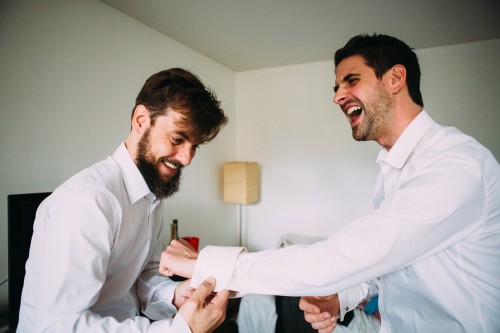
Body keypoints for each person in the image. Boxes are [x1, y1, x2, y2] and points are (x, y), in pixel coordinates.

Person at [160, 34, 500, 333]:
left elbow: (338, 257)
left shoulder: (456, 165)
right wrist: (344, 296)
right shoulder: (394, 171)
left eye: (351, 81)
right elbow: (394, 265)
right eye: (337, 87)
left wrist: (205, 264)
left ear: (395, 78)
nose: (338, 96)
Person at [17, 68, 229, 333]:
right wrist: (180, 329)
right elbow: (58, 326)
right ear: (141, 120)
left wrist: (175, 293)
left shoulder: (152, 193)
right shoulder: (89, 201)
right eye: (177, 139)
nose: (187, 158)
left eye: (194, 146)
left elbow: (140, 275)